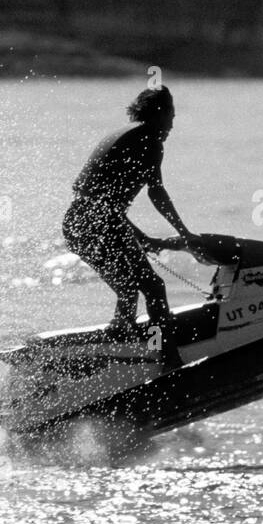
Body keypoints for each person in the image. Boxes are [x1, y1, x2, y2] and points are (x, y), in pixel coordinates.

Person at [62, 86, 198, 369]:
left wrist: (142, 238)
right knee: (154, 288)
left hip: (76, 221)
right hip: (100, 222)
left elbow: (100, 203)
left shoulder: (125, 133)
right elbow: (156, 193)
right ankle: (166, 358)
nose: (172, 124)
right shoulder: (150, 139)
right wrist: (185, 234)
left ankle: (123, 340)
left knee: (128, 288)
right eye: (171, 116)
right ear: (158, 114)